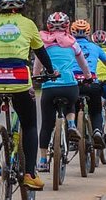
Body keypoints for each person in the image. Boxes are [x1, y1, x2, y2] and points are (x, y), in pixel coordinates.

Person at [0, 0, 57, 190]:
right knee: (29, 125)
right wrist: (51, 71)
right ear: (22, 6)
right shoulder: (29, 24)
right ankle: (30, 174)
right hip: (19, 77)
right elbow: (41, 53)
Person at [35, 12, 93, 170]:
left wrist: (35, 77)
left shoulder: (43, 43)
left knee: (46, 125)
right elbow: (83, 64)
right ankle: (72, 123)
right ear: (68, 26)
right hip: (69, 86)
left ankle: (42, 161)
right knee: (71, 104)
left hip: (49, 87)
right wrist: (87, 77)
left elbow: (37, 66)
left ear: (48, 25)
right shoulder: (73, 42)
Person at [69, 19, 106, 148]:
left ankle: (71, 132)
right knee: (95, 110)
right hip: (92, 84)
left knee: (71, 107)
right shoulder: (95, 47)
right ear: (88, 33)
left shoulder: (67, 46)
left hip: (73, 84)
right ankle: (97, 131)